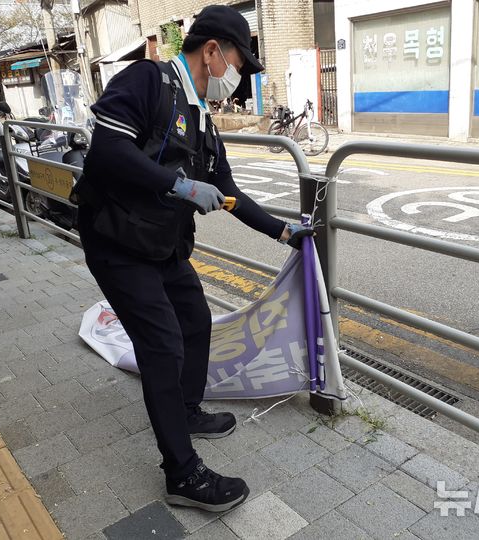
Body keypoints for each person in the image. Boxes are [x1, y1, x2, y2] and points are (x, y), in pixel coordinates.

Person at [71, 4, 313, 513]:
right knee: (162, 345)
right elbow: (106, 154)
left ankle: (185, 409)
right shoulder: (148, 81)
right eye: (240, 64)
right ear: (212, 52)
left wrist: (284, 232)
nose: (240, 78)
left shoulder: (203, 118)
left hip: (161, 242)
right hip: (116, 239)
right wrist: (178, 184)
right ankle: (181, 474)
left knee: (195, 321)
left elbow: (228, 192)